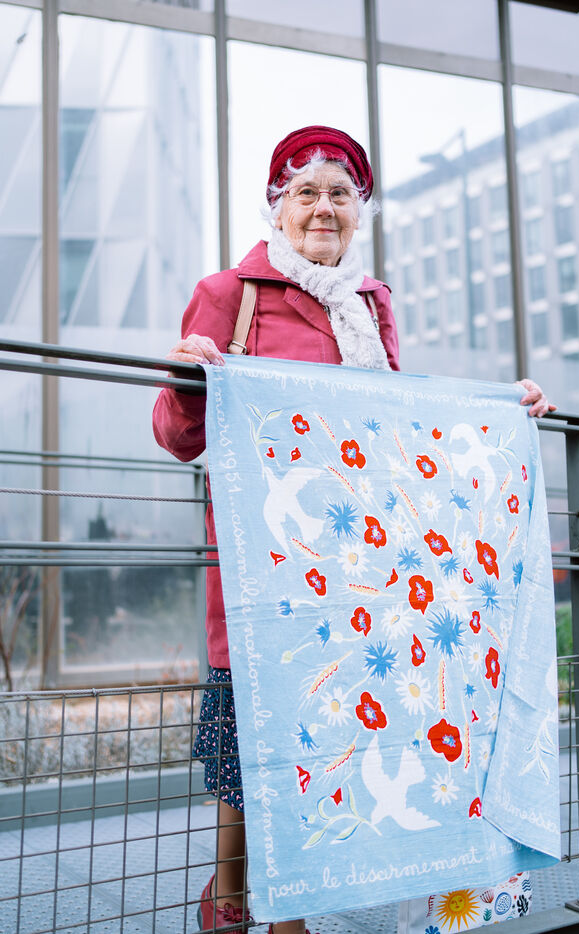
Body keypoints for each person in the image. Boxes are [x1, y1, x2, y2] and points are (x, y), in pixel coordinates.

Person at [152, 126, 555, 934]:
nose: (323, 209)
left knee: (323, 729)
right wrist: (190, 380)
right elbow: (175, 435)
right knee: (257, 735)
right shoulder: (230, 293)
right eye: (305, 193)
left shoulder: (372, 305)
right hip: (269, 558)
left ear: (358, 211)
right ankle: (248, 904)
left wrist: (501, 413)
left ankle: (269, 902)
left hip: (360, 568)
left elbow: (395, 425)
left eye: (339, 194)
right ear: (277, 207)